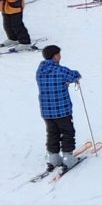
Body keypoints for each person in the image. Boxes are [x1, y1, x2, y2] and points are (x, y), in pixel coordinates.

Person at [35, 46, 83, 175]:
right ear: (55, 56)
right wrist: (77, 76)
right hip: (62, 110)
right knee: (67, 132)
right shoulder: (60, 70)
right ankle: (68, 157)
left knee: (52, 133)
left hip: (47, 111)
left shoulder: (40, 70)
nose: (60, 57)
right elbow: (74, 75)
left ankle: (53, 156)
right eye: (59, 54)